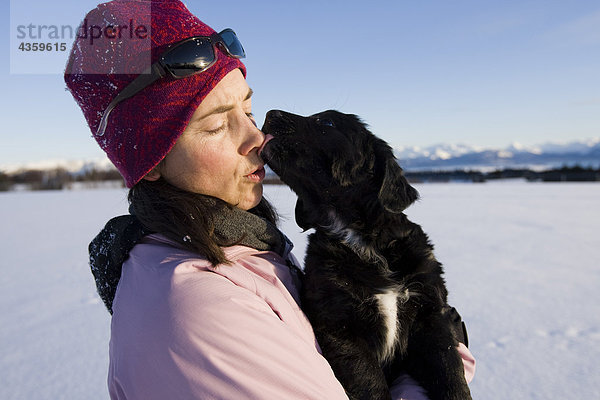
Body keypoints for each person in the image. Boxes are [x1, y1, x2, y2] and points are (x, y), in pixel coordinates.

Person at [65, 1, 475, 399]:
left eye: (248, 110)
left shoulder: (243, 250)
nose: (258, 139)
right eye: (215, 126)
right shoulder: (199, 310)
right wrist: (446, 358)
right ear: (150, 162)